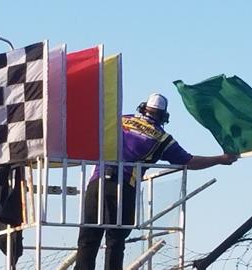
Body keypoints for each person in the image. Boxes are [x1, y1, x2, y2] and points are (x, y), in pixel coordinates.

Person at [74, 93, 238, 270]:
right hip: (123, 188)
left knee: (88, 237)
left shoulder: (121, 120)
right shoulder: (162, 138)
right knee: (116, 239)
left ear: (143, 108)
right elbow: (189, 161)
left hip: (96, 183)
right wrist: (220, 159)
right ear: (164, 115)